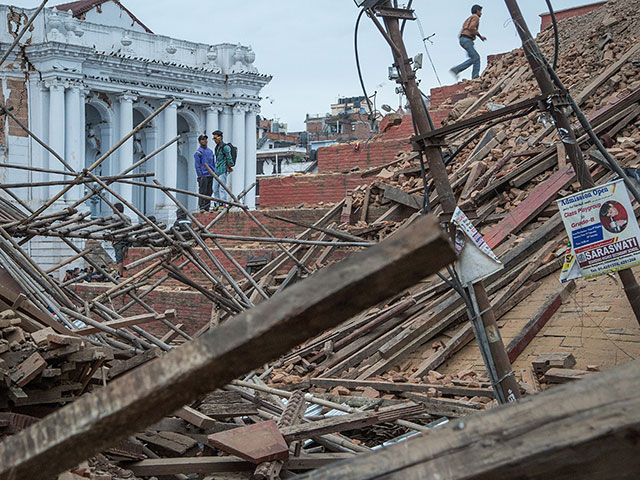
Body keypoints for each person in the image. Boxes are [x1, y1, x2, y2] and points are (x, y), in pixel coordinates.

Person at [450, 5, 486, 80]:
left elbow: (465, 28)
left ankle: (458, 70)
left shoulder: (469, 18)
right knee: (476, 58)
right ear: (477, 11)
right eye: (480, 11)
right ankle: (474, 76)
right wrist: (480, 36)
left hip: (463, 39)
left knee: (473, 58)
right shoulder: (476, 17)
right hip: (467, 40)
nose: (481, 13)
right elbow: (472, 27)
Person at [212, 130, 233, 210]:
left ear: (220, 137)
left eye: (215, 138)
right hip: (217, 170)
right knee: (215, 188)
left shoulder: (225, 147)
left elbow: (229, 159)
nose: (214, 140)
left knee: (222, 188)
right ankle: (217, 204)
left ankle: (223, 204)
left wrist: (229, 167)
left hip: (223, 170)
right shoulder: (216, 148)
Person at [194, 134, 215, 212]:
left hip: (210, 174)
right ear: (199, 142)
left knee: (209, 191)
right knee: (203, 191)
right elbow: (197, 165)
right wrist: (200, 175)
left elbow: (213, 163)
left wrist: (214, 172)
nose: (204, 141)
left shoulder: (210, 151)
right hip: (203, 175)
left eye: (205, 139)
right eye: (202, 139)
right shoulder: (198, 152)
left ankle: (207, 206)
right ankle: (202, 207)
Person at [111, 202, 132, 277]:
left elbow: (112, 230)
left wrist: (113, 240)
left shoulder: (115, 218)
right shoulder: (128, 217)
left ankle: (120, 274)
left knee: (119, 259)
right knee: (124, 257)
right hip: (127, 239)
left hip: (118, 240)